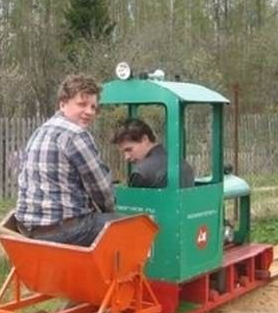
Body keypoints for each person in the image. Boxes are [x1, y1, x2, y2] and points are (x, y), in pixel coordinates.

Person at [15, 74, 117, 246]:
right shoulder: (75, 135)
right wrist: (111, 212)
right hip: (65, 231)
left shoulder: (39, 132)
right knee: (131, 227)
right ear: (63, 104)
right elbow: (102, 189)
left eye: (93, 107)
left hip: (28, 229)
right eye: (82, 104)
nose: (89, 112)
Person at [112, 118, 194, 188]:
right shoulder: (183, 164)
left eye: (129, 149)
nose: (126, 157)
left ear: (145, 139)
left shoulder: (141, 174)